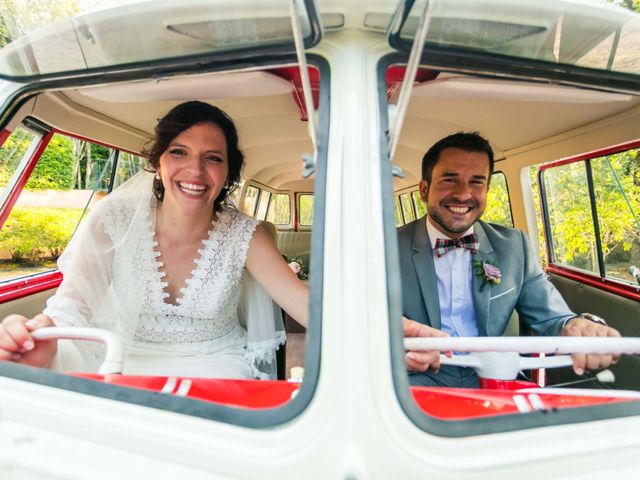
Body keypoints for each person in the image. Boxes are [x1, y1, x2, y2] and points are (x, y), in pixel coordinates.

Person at [0, 101, 436, 379]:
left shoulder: (243, 233)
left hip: (215, 363)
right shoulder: (112, 218)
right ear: (157, 162)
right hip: (124, 357)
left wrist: (379, 330)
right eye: (179, 153)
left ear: (227, 174)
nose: (195, 172)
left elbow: (304, 304)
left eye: (213, 159)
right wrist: (39, 333)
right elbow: (73, 304)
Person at [399, 132, 621, 388]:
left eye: (477, 182)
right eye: (450, 180)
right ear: (424, 190)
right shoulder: (383, 247)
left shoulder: (514, 246)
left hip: (494, 375)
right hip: (412, 380)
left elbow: (552, 317)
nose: (463, 194)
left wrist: (575, 325)